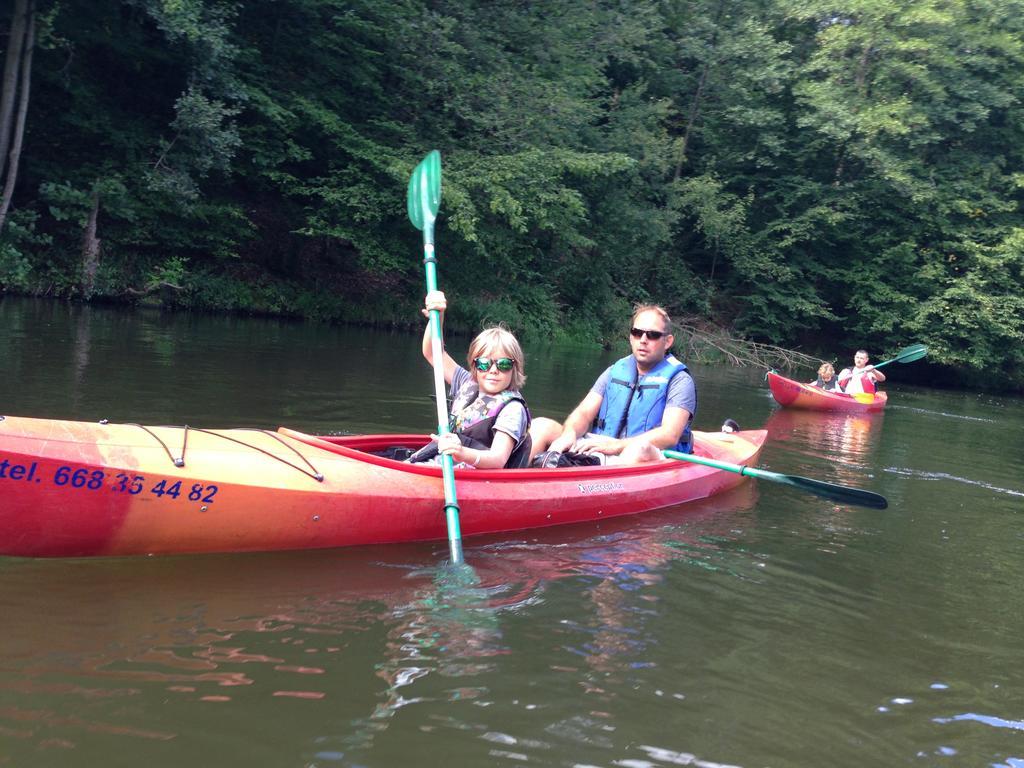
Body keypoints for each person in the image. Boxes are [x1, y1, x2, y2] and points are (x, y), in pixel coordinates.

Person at [529, 304, 696, 465]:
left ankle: (600, 487)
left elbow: (670, 434)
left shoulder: (680, 381)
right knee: (541, 425)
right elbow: (584, 413)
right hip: (602, 447)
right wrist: (569, 433)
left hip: (647, 454)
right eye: (637, 333)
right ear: (631, 337)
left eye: (652, 335)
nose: (643, 340)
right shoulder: (615, 371)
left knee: (640, 447)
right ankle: (514, 481)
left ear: (667, 341)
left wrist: (616, 445)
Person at [409, 290, 532, 469]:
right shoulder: (466, 382)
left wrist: (461, 453)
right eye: (484, 364)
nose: (493, 370)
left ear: (515, 368)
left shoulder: (512, 409)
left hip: (475, 475)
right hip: (446, 461)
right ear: (475, 365)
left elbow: (498, 459)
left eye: (503, 364)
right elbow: (433, 353)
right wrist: (438, 317)